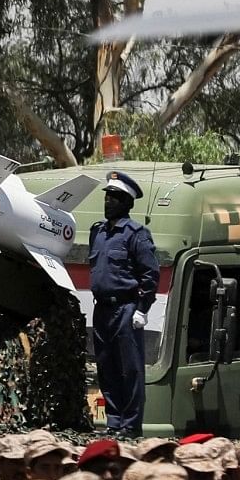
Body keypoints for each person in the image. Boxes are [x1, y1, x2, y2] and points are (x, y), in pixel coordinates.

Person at [87, 171, 157, 434]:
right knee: (107, 369)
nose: (108, 202)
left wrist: (142, 309)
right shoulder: (99, 233)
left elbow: (150, 275)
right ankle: (114, 422)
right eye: (107, 197)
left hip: (126, 310)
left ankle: (130, 426)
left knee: (130, 370)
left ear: (127, 203)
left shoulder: (136, 234)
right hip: (102, 309)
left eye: (115, 198)